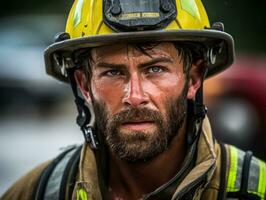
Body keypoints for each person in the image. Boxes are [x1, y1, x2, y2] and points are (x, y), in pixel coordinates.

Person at [2, 0, 266, 200]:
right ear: (84, 84)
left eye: (155, 69)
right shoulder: (35, 192)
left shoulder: (258, 189)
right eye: (113, 72)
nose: (135, 96)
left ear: (194, 78)